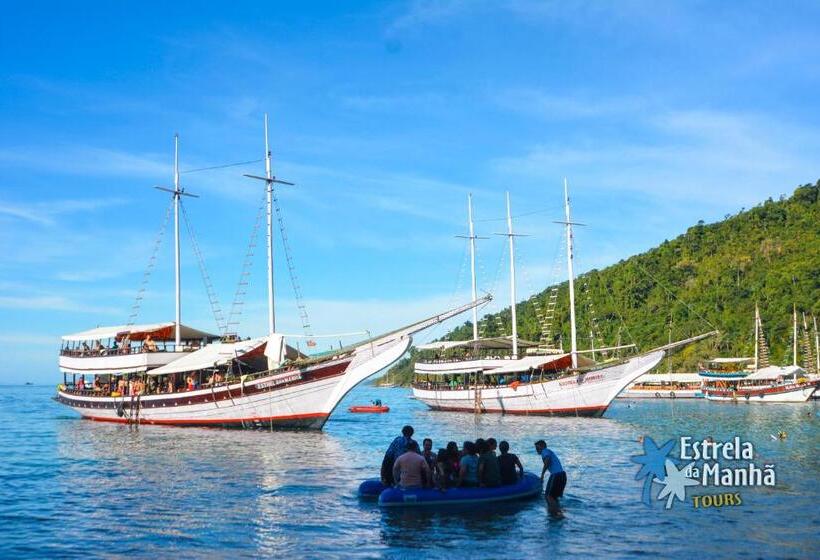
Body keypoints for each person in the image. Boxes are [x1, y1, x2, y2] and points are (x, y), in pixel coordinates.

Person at [535, 440, 566, 518]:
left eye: (537, 448)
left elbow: (547, 460)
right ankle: (558, 513)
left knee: (548, 496)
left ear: (542, 446)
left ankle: (554, 513)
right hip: (562, 475)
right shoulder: (549, 451)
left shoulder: (544, 451)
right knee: (554, 496)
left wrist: (542, 474)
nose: (536, 450)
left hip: (556, 475)